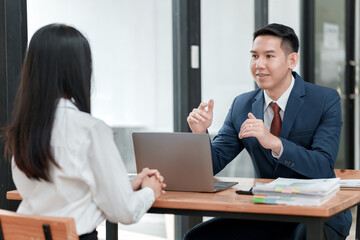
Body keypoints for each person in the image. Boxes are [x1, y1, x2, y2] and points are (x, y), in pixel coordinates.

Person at [186, 23, 350, 240]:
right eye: (254, 56)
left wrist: (275, 143)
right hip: (266, 211)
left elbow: (322, 165)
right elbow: (214, 163)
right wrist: (200, 134)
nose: (259, 65)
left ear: (292, 60)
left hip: (319, 210)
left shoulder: (325, 100)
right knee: (198, 237)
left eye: (269, 56)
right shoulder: (241, 105)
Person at [4, 24, 166, 240]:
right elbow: (124, 212)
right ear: (79, 70)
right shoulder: (90, 129)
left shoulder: (24, 130)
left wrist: (125, 186)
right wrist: (149, 191)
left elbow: (59, 195)